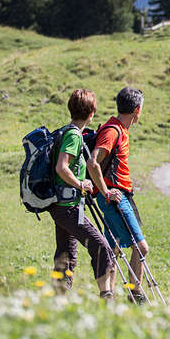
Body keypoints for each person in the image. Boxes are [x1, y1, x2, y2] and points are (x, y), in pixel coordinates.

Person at [51, 89, 117, 301]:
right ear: (92, 113)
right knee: (101, 246)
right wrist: (81, 183)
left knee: (66, 257)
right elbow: (62, 168)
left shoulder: (67, 131)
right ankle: (106, 298)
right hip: (67, 206)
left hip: (62, 205)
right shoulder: (73, 135)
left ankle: (59, 301)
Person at [91, 86, 150, 304]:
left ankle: (109, 299)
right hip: (115, 197)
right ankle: (135, 296)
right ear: (137, 110)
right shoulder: (112, 131)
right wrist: (106, 192)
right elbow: (93, 162)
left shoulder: (118, 129)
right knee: (141, 247)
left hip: (117, 195)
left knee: (113, 248)